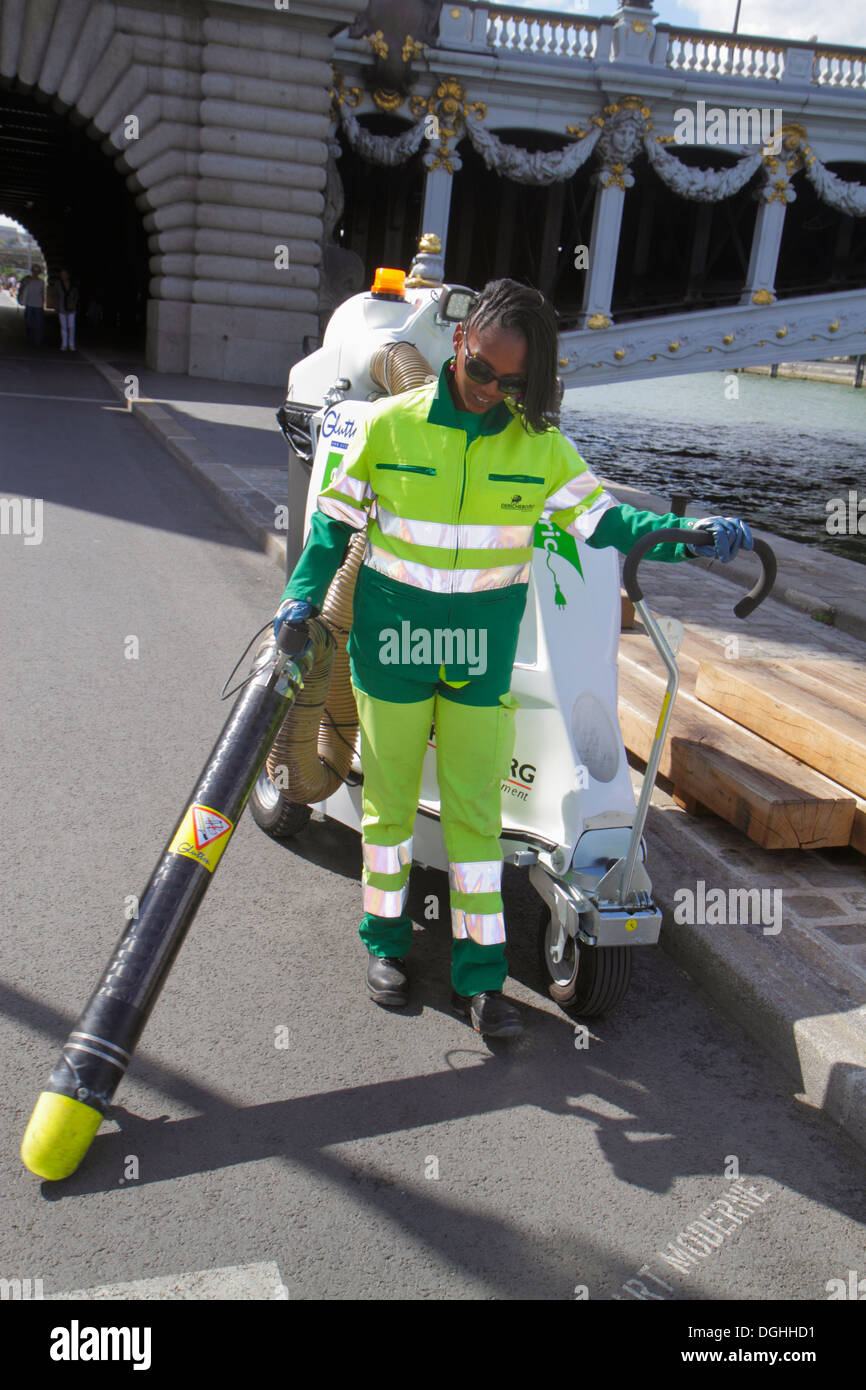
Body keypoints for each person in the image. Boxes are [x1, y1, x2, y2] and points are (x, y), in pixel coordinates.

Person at [272, 278, 753, 1037]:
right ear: (458, 348)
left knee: (475, 819)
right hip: (393, 647)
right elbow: (331, 530)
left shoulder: (541, 449)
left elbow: (604, 521)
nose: (491, 391)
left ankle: (482, 980)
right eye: (480, 372)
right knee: (389, 809)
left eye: (511, 383)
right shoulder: (391, 427)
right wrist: (300, 598)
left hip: (475, 656)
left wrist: (686, 538)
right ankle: (387, 946)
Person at [21, 266, 45, 346]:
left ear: (39, 273)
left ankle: (37, 341)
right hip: (29, 304)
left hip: (38, 305)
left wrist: (43, 304)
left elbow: (43, 294)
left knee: (38, 324)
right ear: (32, 271)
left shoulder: (41, 282)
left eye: (37, 271)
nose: (35, 273)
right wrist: (26, 283)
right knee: (28, 323)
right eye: (34, 271)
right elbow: (21, 290)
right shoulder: (27, 280)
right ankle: (30, 338)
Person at [56, 269, 79, 351]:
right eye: (62, 274)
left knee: (71, 326)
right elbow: (56, 295)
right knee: (63, 327)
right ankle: (64, 344)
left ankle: (71, 344)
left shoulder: (73, 284)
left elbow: (76, 295)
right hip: (62, 307)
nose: (63, 276)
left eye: (65, 274)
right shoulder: (58, 284)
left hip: (71, 307)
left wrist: (75, 303)